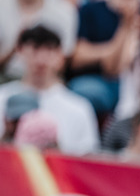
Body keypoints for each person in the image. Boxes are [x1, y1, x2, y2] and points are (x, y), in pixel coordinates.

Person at [0, 24, 98, 155]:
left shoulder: (79, 108)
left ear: (60, 56)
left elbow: (87, 162)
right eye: (35, 49)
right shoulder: (2, 97)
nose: (41, 59)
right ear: (20, 50)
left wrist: (56, 149)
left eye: (49, 50)